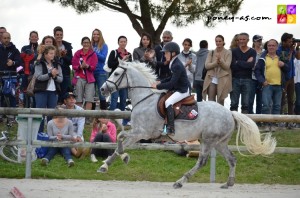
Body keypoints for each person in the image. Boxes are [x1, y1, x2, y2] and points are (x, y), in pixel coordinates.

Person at [151, 42, 191, 135]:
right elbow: (171, 78)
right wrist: (160, 82)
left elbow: (171, 83)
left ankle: (171, 128)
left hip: (183, 90)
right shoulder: (173, 63)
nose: (164, 55)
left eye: (166, 53)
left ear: (173, 53)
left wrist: (157, 86)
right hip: (178, 87)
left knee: (168, 102)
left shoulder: (176, 65)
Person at [255, 39, 289, 132]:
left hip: (279, 85)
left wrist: (283, 65)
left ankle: (274, 125)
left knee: (277, 106)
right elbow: (257, 71)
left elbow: (288, 69)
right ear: (267, 46)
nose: (271, 47)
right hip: (267, 85)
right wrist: (262, 81)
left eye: (273, 45)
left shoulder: (281, 57)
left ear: (277, 47)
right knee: (266, 105)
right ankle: (266, 124)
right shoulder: (263, 58)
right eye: (269, 45)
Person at [34, 45, 63, 132]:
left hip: (53, 92)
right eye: (50, 53)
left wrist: (54, 77)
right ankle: (39, 134)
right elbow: (38, 77)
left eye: (53, 53)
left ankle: (51, 135)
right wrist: (50, 74)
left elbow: (61, 79)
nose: (52, 55)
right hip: (41, 91)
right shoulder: (39, 63)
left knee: (52, 114)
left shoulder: (57, 65)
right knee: (40, 114)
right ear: (45, 54)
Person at [107, 35, 132, 126]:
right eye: (121, 41)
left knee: (123, 99)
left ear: (126, 42)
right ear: (118, 43)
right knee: (114, 98)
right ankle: (111, 120)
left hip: (124, 81)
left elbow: (130, 67)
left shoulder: (129, 54)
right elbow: (110, 64)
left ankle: (123, 121)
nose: (123, 43)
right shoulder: (114, 52)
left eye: (124, 41)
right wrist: (121, 60)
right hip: (115, 80)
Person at [230, 32, 256, 113]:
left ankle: (244, 124)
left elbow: (251, 65)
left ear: (248, 40)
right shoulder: (233, 51)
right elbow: (233, 66)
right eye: (240, 39)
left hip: (247, 79)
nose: (241, 41)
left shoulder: (252, 51)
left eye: (243, 39)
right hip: (235, 79)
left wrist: (238, 62)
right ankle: (234, 123)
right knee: (234, 103)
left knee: (245, 104)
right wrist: (245, 63)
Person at [202, 35, 232, 106]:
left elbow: (227, 66)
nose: (218, 43)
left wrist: (220, 61)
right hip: (212, 78)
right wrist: (216, 63)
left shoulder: (228, 52)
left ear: (223, 42)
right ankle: (211, 116)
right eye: (216, 41)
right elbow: (207, 65)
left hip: (223, 79)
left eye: (220, 41)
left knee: (220, 101)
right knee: (211, 101)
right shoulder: (211, 52)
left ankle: (220, 117)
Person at [0, 32, 21, 123]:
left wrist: (13, 63)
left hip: (10, 76)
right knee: (0, 96)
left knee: (11, 96)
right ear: (1, 39)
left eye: (8, 38)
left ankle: (12, 117)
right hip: (0, 75)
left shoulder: (15, 50)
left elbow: (19, 62)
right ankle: (1, 116)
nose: (6, 40)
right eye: (4, 38)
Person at [72, 36, 97, 112]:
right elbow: (73, 66)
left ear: (90, 44)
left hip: (89, 79)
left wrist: (87, 66)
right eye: (84, 43)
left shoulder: (93, 54)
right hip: (79, 78)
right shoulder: (77, 53)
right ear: (81, 43)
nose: (86, 44)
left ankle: (87, 118)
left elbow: (94, 67)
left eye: (87, 43)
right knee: (78, 98)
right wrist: (80, 66)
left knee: (89, 99)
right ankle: (79, 116)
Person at [277, 33, 296, 129]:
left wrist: (296, 49)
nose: (291, 42)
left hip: (292, 77)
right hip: (283, 77)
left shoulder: (291, 49)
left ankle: (290, 121)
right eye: (289, 41)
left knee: (291, 100)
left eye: (291, 41)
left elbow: (298, 57)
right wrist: (291, 52)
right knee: (281, 100)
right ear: (283, 41)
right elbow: (285, 63)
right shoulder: (279, 49)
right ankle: (281, 121)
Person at [62, 91, 86, 158]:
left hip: (76, 131)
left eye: (73, 98)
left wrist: (79, 135)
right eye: (69, 98)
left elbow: (81, 124)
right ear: (65, 101)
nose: (72, 100)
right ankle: (78, 154)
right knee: (70, 141)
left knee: (79, 140)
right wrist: (71, 136)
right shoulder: (61, 110)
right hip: (66, 132)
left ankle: (81, 151)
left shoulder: (81, 110)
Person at [53, 26, 73, 104]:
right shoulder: (52, 45)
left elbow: (71, 61)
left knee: (64, 94)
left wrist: (64, 56)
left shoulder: (67, 46)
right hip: (54, 72)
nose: (59, 36)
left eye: (61, 34)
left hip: (65, 73)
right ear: (54, 35)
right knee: (54, 93)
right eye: (57, 34)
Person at [20, 31, 39, 108]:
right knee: (25, 93)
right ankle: (25, 109)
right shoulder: (24, 48)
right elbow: (21, 58)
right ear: (29, 38)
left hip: (36, 74)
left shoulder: (40, 47)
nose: (34, 38)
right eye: (32, 36)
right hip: (26, 73)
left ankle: (35, 111)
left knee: (35, 93)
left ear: (38, 38)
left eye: (35, 36)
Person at [91, 28, 109, 110]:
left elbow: (103, 58)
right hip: (90, 72)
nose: (95, 35)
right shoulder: (90, 45)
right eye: (94, 34)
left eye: (97, 34)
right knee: (91, 93)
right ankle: (92, 115)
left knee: (102, 93)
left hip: (101, 72)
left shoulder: (104, 46)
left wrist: (94, 52)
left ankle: (103, 115)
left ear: (100, 35)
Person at [248, 35, 264, 114]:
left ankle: (259, 119)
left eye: (260, 41)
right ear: (254, 41)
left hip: (261, 78)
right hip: (252, 78)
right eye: (258, 41)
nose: (259, 42)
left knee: (260, 100)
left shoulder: (264, 51)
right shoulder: (250, 51)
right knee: (250, 100)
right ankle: (251, 117)